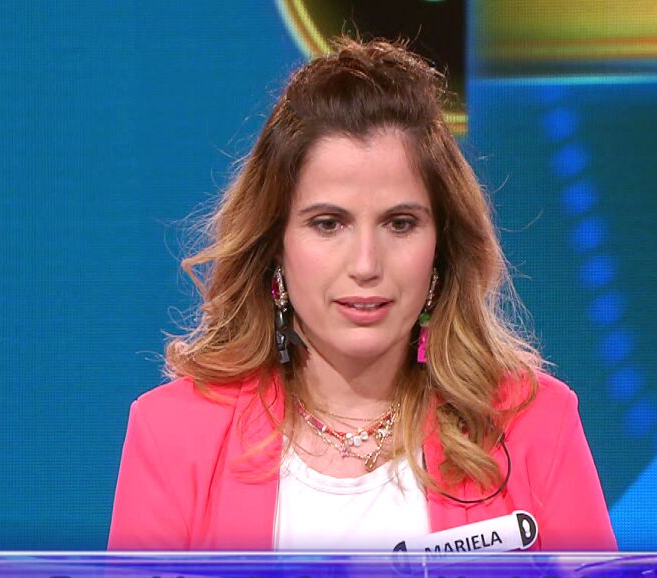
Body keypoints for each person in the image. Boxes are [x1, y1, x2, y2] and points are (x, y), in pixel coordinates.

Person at [108, 37, 616, 552]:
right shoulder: (172, 434)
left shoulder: (534, 424)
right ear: (275, 243)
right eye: (329, 224)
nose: (366, 265)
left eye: (400, 223)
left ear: (441, 245)